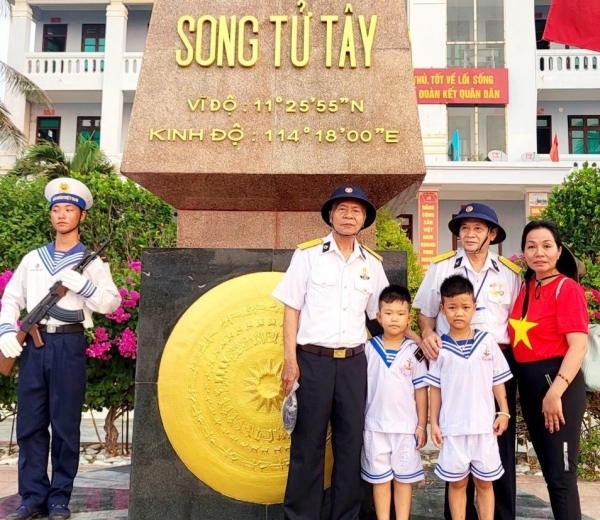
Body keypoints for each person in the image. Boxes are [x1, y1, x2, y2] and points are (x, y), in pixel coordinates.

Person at [0, 178, 121, 520]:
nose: (62, 215)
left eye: (69, 209)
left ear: (81, 215)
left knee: (65, 425)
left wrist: (84, 285)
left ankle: (58, 499)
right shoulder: (33, 258)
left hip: (68, 343)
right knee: (30, 424)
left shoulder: (91, 261)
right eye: (57, 209)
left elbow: (112, 302)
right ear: (51, 215)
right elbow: (11, 300)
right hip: (36, 345)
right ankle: (32, 496)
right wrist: (7, 330)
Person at [272, 184, 389, 520]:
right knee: (307, 448)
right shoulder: (307, 255)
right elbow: (291, 309)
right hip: (312, 362)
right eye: (342, 209)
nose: (349, 215)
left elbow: (382, 315)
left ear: (364, 218)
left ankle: (345, 516)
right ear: (331, 215)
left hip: (354, 364)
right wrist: (290, 362)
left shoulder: (372, 264)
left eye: (356, 210)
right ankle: (300, 517)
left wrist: (419, 335)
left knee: (350, 446)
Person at [413, 203, 521, 520]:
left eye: (477, 228)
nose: (469, 234)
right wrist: (427, 334)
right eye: (464, 228)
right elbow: (425, 313)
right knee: (455, 448)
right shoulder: (442, 267)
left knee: (496, 450)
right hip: (453, 366)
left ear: (492, 233)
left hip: (494, 364)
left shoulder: (509, 274)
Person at [508, 220, 588, 520]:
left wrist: (556, 391)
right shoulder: (525, 287)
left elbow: (578, 346)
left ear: (558, 252)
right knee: (550, 473)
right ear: (524, 253)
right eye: (531, 246)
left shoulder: (567, 289)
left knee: (562, 475)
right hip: (530, 386)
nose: (538, 253)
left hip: (558, 386)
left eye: (546, 246)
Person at [427, 275, 512, 520]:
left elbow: (498, 379)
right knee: (458, 483)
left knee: (485, 483)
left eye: (465, 307)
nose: (459, 313)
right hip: (454, 428)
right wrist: (434, 422)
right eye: (452, 307)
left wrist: (503, 411)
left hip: (484, 427)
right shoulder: (441, 349)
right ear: (442, 309)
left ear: (475, 307)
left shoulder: (487, 342)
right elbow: (436, 388)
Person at [360, 284, 428, 520]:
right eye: (388, 313)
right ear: (378, 317)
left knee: (403, 479)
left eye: (400, 314)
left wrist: (421, 425)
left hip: (405, 428)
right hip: (375, 426)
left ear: (409, 318)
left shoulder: (415, 351)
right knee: (380, 481)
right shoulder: (368, 349)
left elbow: (421, 390)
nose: (394, 319)